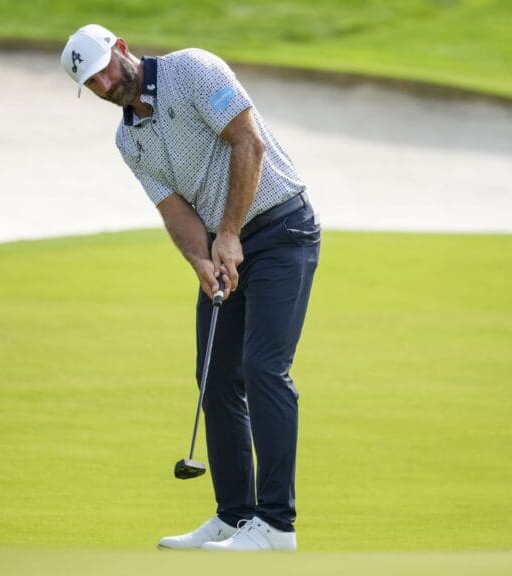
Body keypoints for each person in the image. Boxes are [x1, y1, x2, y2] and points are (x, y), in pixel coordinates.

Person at [62, 24, 320, 552]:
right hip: (225, 246)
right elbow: (172, 208)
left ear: (123, 50)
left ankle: (276, 526)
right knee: (216, 375)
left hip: (281, 230)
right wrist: (201, 261)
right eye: (93, 84)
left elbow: (248, 142)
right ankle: (235, 515)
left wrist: (227, 232)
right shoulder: (127, 137)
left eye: (106, 69)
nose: (107, 84)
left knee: (263, 368)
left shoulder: (193, 69)